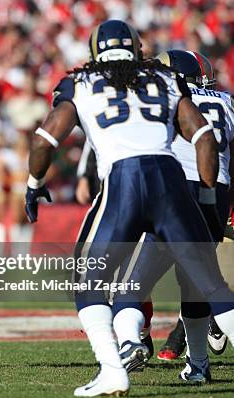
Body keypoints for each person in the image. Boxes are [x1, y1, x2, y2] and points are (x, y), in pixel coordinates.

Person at [24, 20, 234, 397]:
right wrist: (205, 201)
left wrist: (34, 184)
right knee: (211, 285)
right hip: (172, 181)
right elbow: (202, 134)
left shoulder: (82, 83)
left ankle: (112, 368)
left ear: (94, 53)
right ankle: (190, 359)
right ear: (138, 50)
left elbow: (43, 142)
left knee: (89, 281)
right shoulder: (164, 80)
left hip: (124, 179)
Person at [113, 50, 233, 381]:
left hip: (177, 195)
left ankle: (129, 343)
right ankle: (198, 365)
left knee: (129, 288)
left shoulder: (167, 99)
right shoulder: (226, 100)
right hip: (217, 193)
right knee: (197, 285)